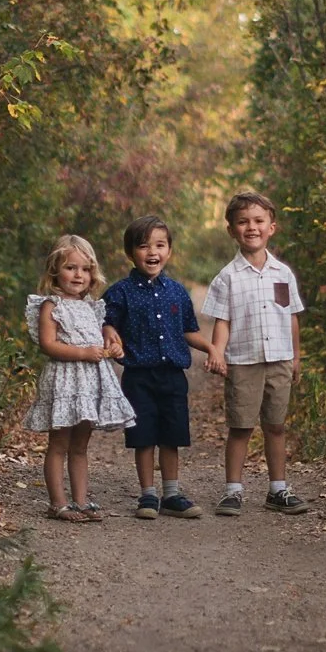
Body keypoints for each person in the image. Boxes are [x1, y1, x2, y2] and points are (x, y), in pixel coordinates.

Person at [203, 191, 310, 516]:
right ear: (232, 230)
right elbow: (223, 321)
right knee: (241, 426)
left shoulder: (283, 274)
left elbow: (290, 316)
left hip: (278, 359)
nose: (252, 227)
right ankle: (233, 491)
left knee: (276, 425)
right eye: (243, 222)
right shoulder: (227, 277)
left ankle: (277, 489)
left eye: (258, 221)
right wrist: (218, 352)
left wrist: (296, 356)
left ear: (271, 227)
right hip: (243, 362)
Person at [104, 214, 214, 519]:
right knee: (144, 435)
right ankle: (148, 496)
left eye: (160, 245)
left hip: (173, 376)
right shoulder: (119, 292)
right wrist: (110, 337)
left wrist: (210, 347)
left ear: (169, 251)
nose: (152, 252)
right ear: (131, 253)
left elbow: (188, 330)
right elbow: (106, 324)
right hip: (138, 376)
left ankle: (172, 494)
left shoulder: (177, 291)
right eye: (143, 246)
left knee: (171, 435)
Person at [24, 235, 134, 522]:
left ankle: (81, 501)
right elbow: (48, 345)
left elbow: (99, 337)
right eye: (71, 268)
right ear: (55, 271)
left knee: (80, 446)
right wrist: (84, 352)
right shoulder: (51, 305)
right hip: (64, 380)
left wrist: (112, 345)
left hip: (88, 383)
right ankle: (58, 503)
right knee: (59, 444)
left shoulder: (91, 306)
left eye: (85, 269)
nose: (78, 275)